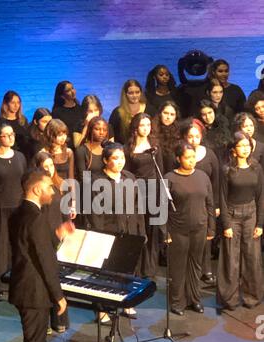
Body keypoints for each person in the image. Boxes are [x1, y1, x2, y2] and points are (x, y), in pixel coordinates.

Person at [9, 169, 75, 342]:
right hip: (34, 292)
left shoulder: (18, 213)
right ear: (37, 189)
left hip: (22, 287)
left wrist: (57, 235)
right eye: (48, 187)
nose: (52, 191)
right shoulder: (36, 217)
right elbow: (45, 260)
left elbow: (32, 247)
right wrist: (59, 296)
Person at [86, 143, 146, 322]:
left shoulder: (130, 177)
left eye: (122, 158)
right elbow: (94, 212)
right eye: (115, 158)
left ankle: (126, 303)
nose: (120, 162)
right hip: (108, 232)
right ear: (105, 160)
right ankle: (102, 309)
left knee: (128, 269)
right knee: (105, 272)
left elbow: (137, 206)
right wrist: (100, 237)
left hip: (129, 230)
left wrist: (141, 231)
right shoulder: (97, 182)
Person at [164, 143, 215, 316]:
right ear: (178, 159)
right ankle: (178, 302)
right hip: (177, 229)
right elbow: (161, 207)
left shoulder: (202, 176)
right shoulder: (169, 178)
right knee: (178, 267)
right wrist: (165, 232)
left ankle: (194, 299)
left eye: (193, 157)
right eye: (187, 157)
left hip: (199, 228)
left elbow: (210, 204)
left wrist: (211, 229)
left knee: (196, 265)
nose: (191, 161)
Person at [218, 132, 264, 311]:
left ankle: (252, 296)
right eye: (241, 146)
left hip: (251, 214)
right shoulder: (227, 170)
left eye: (247, 146)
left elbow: (261, 196)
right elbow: (221, 197)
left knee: (252, 256)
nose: (245, 149)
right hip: (232, 214)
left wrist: (260, 223)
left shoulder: (256, 168)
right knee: (231, 258)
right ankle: (229, 298)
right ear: (234, 150)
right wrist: (226, 224)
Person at [0, 123, 27, 297]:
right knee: (0, 247)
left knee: (17, 245)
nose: (10, 138)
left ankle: (16, 281)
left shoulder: (20, 157)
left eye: (12, 134)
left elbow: (24, 182)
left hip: (17, 206)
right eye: (6, 135)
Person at [34, 151, 76, 332]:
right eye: (45, 167)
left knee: (59, 278)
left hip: (60, 234)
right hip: (46, 235)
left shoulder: (60, 184)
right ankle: (46, 321)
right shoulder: (38, 187)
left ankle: (59, 320)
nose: (49, 169)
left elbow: (65, 209)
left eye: (51, 165)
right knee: (46, 278)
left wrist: (68, 225)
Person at [181, 118, 219, 285]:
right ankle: (188, 270)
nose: (193, 139)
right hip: (187, 201)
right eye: (190, 136)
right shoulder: (181, 154)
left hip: (206, 200)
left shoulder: (209, 154)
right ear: (185, 137)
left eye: (196, 136)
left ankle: (206, 268)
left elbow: (217, 180)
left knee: (206, 236)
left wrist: (216, 204)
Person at [125, 113, 163, 277]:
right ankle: (138, 267)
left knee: (152, 229)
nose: (146, 128)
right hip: (136, 190)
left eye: (148, 125)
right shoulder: (128, 148)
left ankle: (150, 268)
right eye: (142, 125)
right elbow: (126, 172)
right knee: (139, 228)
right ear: (135, 127)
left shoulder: (155, 146)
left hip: (153, 190)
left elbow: (160, 168)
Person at [109, 80, 156, 144]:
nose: (134, 95)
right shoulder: (117, 112)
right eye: (131, 93)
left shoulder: (150, 110)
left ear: (141, 93)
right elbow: (110, 132)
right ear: (125, 94)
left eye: (137, 92)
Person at [75, 116, 109, 183]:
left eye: (104, 130)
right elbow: (84, 178)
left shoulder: (107, 149)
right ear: (90, 130)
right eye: (97, 129)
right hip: (89, 190)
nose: (101, 132)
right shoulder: (82, 151)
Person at [151, 100, 181, 174]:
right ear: (160, 113)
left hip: (172, 172)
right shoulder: (151, 129)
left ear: (175, 116)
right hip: (154, 172)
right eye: (165, 113)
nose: (168, 117)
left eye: (172, 114)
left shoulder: (179, 132)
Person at [197, 99, 231, 164]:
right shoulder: (199, 130)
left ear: (214, 112)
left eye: (210, 113)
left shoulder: (223, 124)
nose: (208, 117)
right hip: (207, 162)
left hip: (224, 161)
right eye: (204, 114)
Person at [0, 91, 29, 157]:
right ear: (6, 104)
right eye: (13, 103)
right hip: (8, 155)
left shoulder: (23, 119)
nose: (16, 105)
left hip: (24, 154)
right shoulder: (1, 122)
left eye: (18, 102)